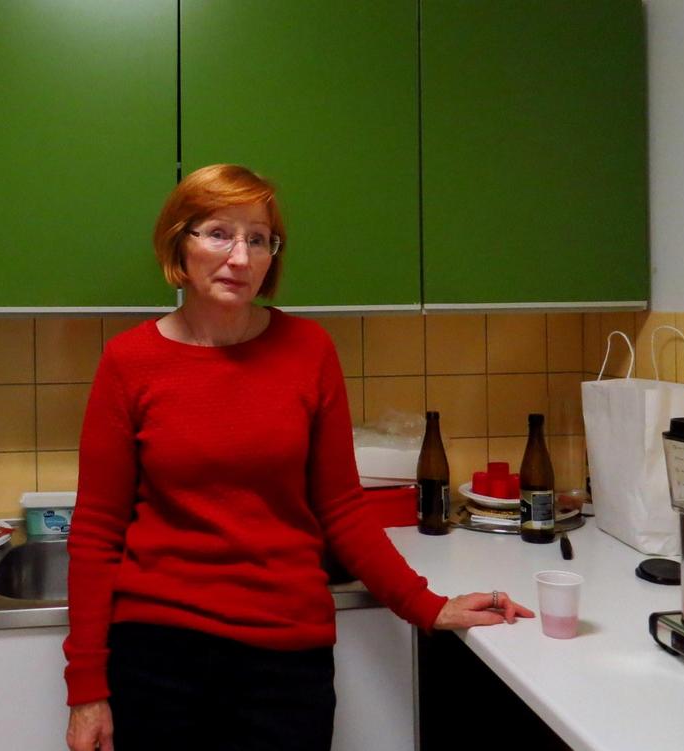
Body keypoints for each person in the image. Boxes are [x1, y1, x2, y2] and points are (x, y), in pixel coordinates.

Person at [64, 164, 534, 751]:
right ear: (179, 243)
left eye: (258, 239)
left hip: (285, 657)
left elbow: (341, 507)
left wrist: (426, 605)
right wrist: (86, 687)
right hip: (159, 654)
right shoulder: (129, 362)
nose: (240, 257)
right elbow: (97, 530)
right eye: (219, 233)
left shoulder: (309, 351)